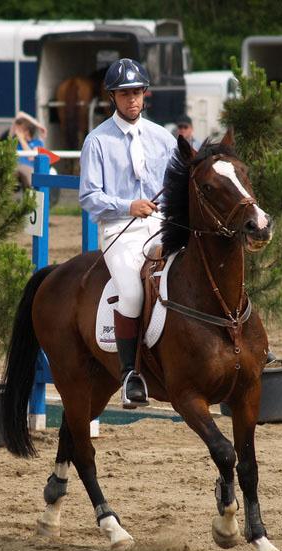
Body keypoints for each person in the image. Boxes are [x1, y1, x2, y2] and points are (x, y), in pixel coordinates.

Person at [79, 58, 177, 409]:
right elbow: (89, 197)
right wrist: (128, 206)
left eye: (136, 92)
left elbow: (175, 185)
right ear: (113, 97)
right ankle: (130, 376)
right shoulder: (97, 141)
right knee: (133, 293)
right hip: (119, 228)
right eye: (124, 94)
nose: (132, 99)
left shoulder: (163, 138)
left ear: (144, 94)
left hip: (161, 224)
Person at [10, 111, 47, 189]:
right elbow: (20, 114)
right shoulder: (14, 141)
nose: (16, 132)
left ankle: (31, 195)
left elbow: (31, 157)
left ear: (26, 131)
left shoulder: (38, 142)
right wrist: (38, 125)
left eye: (19, 130)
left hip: (29, 170)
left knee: (28, 173)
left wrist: (21, 139)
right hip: (15, 169)